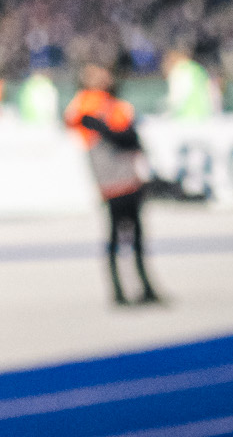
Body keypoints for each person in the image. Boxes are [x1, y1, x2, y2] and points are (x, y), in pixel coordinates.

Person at [63, 68, 159, 308]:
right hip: (111, 179)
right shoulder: (87, 104)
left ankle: (142, 287)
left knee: (134, 235)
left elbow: (128, 135)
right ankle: (119, 290)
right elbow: (120, 134)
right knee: (119, 235)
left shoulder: (110, 105)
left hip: (125, 176)